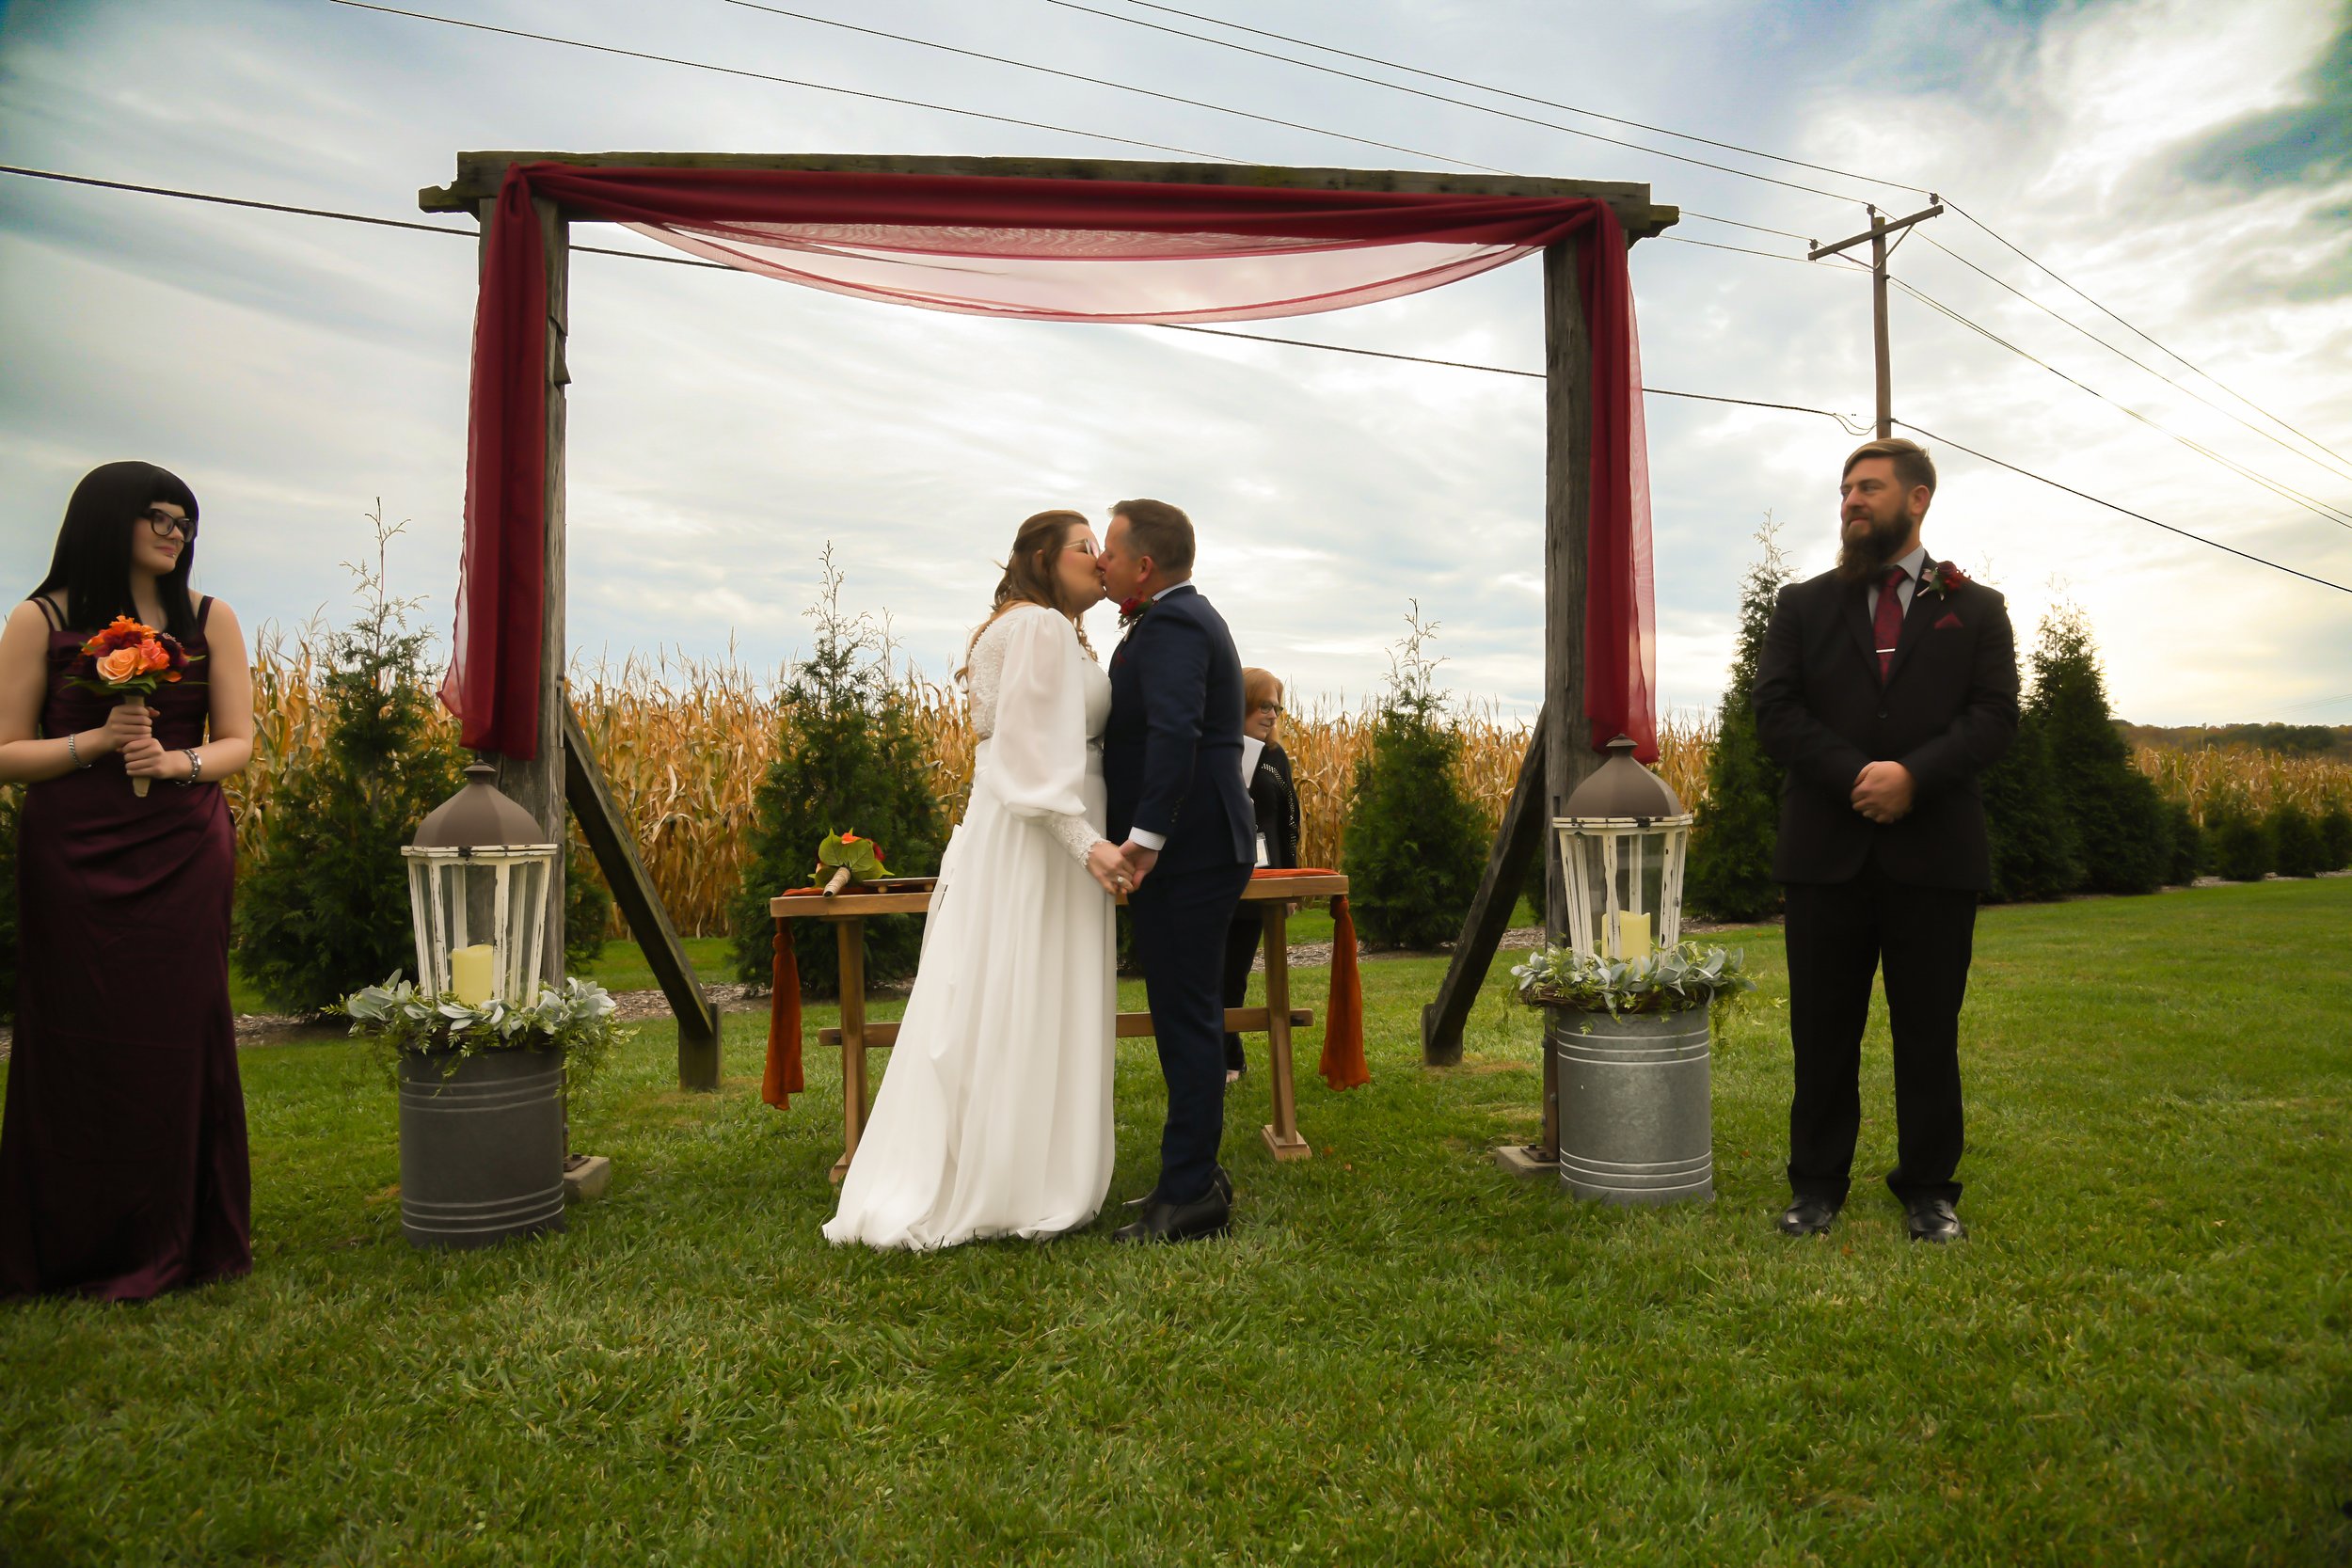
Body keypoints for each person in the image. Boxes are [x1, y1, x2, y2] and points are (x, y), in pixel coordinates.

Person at [822, 510, 1134, 1250]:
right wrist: (1085, 842)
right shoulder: (1037, 629)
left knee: (1006, 989)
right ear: (1039, 557)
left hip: (1019, 828)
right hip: (1040, 838)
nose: (1100, 559)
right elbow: (1028, 758)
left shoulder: (1030, 626)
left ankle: (1010, 1162)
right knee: (1027, 986)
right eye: (1084, 547)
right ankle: (1018, 1178)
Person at [0, 461, 256, 1300]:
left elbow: (239, 742)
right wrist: (97, 743)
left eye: (186, 520)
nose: (175, 532)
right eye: (158, 515)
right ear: (106, 518)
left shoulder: (212, 619)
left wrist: (176, 761)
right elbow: (6, 753)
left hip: (182, 843)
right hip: (74, 848)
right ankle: (74, 1240)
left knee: (180, 1026)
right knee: (74, 1026)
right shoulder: (40, 620)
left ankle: (187, 1233)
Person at [1753, 437, 2018, 1244]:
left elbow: (1995, 717)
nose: (1851, 502)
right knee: (1821, 1030)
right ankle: (1816, 1185)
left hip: (1934, 854)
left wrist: (1913, 775)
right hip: (1825, 855)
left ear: (1919, 499)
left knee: (1929, 1032)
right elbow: (1776, 709)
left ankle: (1930, 1189)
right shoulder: (1802, 605)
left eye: (1869, 487)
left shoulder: (1974, 608)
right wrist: (1860, 773)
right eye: (1844, 490)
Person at [1098, 499, 1256, 1243]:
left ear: (1144, 564)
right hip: (1198, 843)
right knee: (1184, 1011)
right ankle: (1192, 1173)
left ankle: (1189, 1193)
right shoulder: (1177, 619)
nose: (1101, 561)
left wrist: (1145, 837)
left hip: (1188, 847)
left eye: (1108, 549)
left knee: (1185, 1016)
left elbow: (1174, 730)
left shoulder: (1173, 624)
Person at [1219, 668, 1301, 1083]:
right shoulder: (1218, 750)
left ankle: (1231, 1061)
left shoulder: (1275, 758)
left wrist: (1290, 883)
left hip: (1263, 880)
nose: (1271, 715)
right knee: (1209, 976)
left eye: (1276, 707)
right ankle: (1222, 1056)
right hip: (1216, 879)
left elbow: (1289, 822)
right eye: (1263, 705)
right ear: (1242, 704)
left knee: (1234, 978)